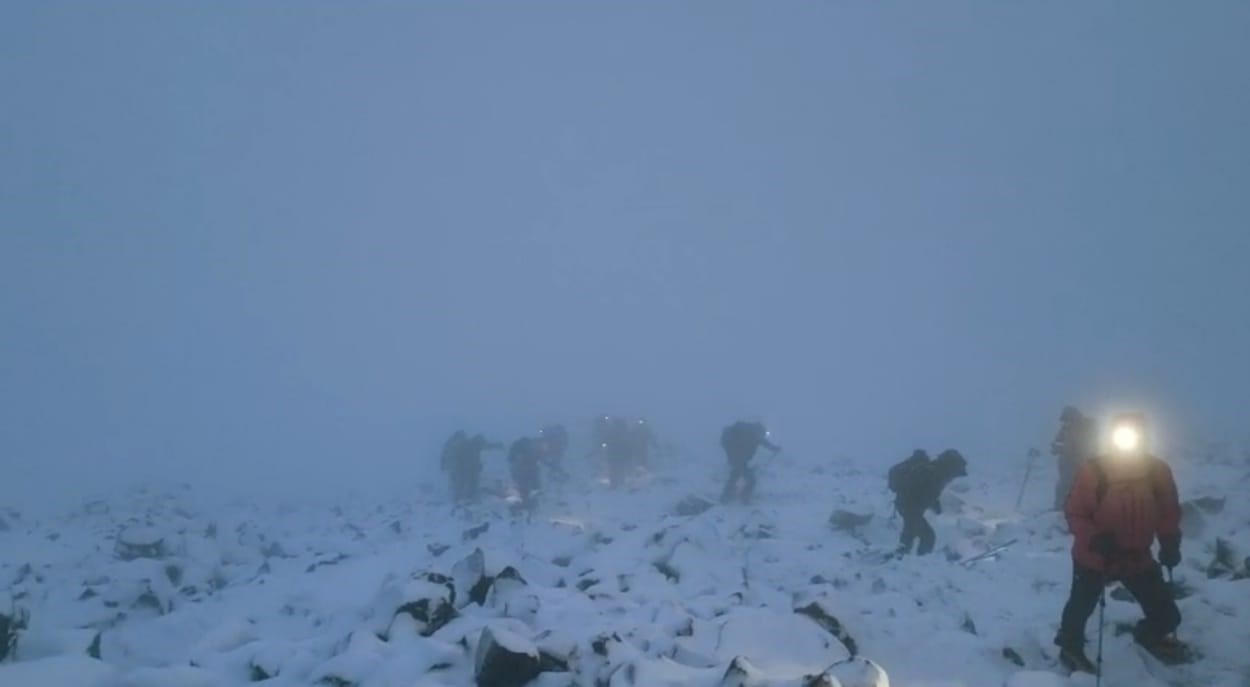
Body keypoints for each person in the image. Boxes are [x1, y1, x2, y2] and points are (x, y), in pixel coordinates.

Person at [1055, 412, 1186, 672]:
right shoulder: (1094, 470)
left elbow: (1168, 509)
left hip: (1137, 557)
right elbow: (1074, 512)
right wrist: (1094, 538)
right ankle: (1070, 648)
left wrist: (1170, 541)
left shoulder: (1157, 471)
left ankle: (1147, 636)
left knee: (1168, 615)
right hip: (1095, 556)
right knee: (1080, 606)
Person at [889, 449, 967, 556]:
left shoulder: (932, 472)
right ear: (950, 466)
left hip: (907, 506)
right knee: (927, 537)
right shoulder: (933, 474)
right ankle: (917, 561)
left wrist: (935, 505)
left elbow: (925, 492)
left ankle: (903, 559)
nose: (953, 477)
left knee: (911, 535)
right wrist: (931, 504)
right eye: (955, 473)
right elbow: (923, 493)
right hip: (911, 508)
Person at [719, 421, 780, 503]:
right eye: (763, 434)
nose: (763, 436)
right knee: (751, 480)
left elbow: (764, 442)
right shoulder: (751, 434)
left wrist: (774, 448)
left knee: (734, 476)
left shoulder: (751, 433)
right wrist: (774, 448)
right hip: (739, 459)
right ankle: (744, 498)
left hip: (736, 459)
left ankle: (726, 497)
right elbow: (763, 442)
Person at [1052, 406, 1098, 510]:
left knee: (1083, 486)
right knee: (1063, 486)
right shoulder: (1065, 429)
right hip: (1067, 464)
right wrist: (1056, 447)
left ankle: (1085, 508)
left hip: (1082, 463)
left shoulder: (1086, 428)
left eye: (1067, 420)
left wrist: (1064, 449)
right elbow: (1058, 441)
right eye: (1065, 421)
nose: (1066, 423)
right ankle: (1060, 507)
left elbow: (1086, 447)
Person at [441, 431, 502, 503]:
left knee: (461, 483)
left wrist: (443, 466)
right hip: (464, 468)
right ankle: (464, 499)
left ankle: (462, 499)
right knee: (466, 483)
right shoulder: (469, 444)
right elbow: (485, 447)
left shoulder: (455, 445)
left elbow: (445, 456)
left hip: (460, 468)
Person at [508, 436, 545, 510]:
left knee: (523, 487)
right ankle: (529, 503)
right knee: (530, 487)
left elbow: (511, 459)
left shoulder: (518, 449)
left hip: (521, 471)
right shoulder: (530, 449)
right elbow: (538, 458)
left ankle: (524, 503)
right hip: (528, 471)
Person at [603, 417, 634, 488]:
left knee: (618, 469)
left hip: (618, 454)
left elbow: (629, 443)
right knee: (616, 469)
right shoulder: (613, 432)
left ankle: (618, 483)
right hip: (616, 454)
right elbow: (606, 440)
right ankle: (616, 483)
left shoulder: (623, 433)